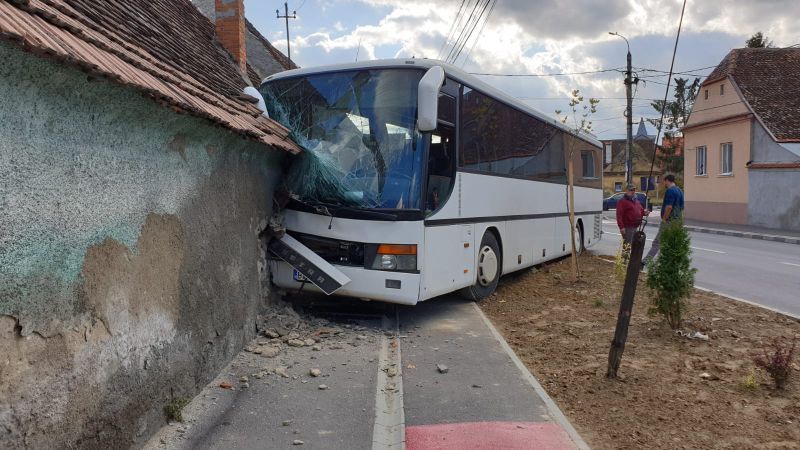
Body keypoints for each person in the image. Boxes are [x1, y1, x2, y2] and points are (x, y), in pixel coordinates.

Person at [642, 174, 684, 267]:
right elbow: (681, 208)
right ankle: (670, 265)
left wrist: (664, 219)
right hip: (677, 221)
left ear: (666, 180)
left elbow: (669, 207)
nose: (663, 183)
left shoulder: (670, 191)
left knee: (657, 242)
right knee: (671, 244)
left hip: (669, 221)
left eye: (664, 181)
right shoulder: (680, 191)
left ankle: (644, 262)